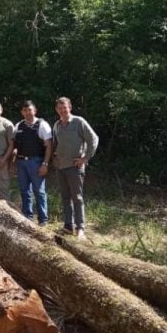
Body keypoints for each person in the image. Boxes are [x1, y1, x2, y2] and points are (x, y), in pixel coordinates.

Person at [52, 96, 99, 239]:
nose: (62, 110)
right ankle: (68, 226)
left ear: (70, 107)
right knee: (65, 197)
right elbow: (55, 144)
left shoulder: (79, 122)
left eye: (64, 107)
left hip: (74, 167)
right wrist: (54, 158)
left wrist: (85, 158)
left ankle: (80, 228)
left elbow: (94, 139)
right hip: (61, 167)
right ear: (56, 110)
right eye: (59, 108)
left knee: (77, 198)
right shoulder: (57, 125)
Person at [12, 100, 52, 225]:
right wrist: (12, 163)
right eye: (25, 110)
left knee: (39, 191)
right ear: (22, 112)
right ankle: (27, 217)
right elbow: (14, 145)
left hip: (36, 161)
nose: (27, 112)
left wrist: (45, 164)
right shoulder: (18, 125)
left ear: (35, 111)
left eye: (30, 110)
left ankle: (43, 220)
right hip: (21, 162)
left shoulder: (42, 125)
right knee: (24, 191)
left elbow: (49, 146)